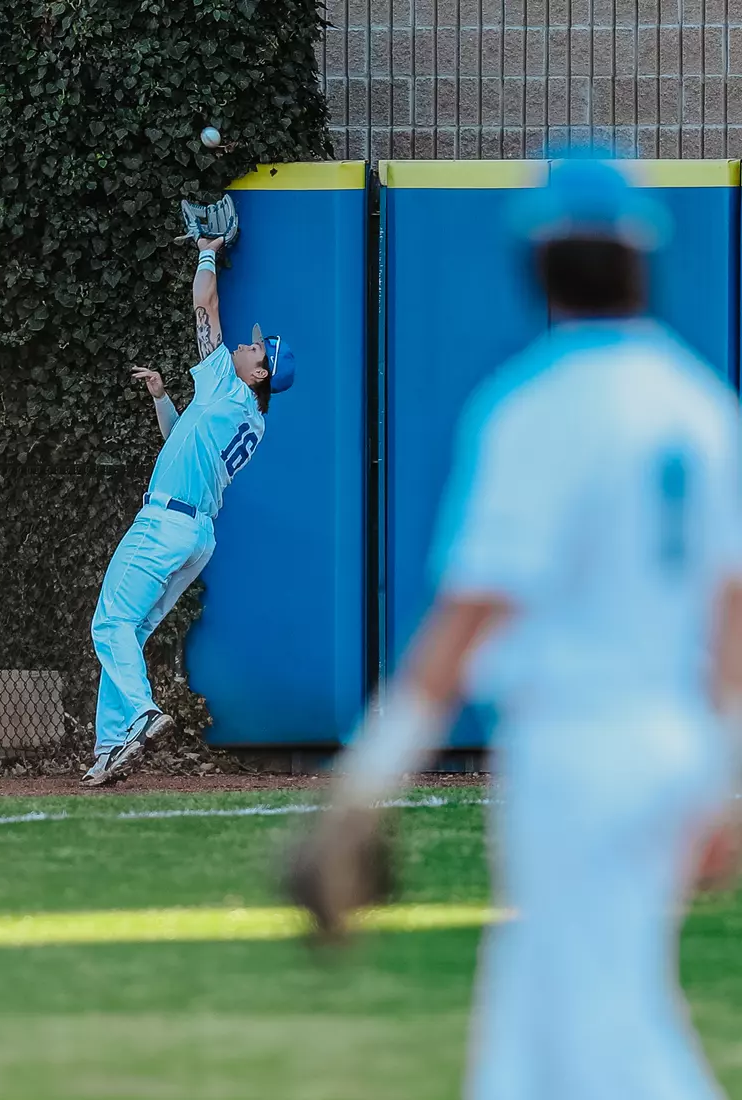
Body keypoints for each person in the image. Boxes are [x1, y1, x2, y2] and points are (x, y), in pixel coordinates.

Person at [288, 158, 742, 1099]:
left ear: (537, 262)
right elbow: (733, 613)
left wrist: (364, 784)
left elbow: (471, 616)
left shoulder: (532, 408)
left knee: (604, 1028)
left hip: (573, 752)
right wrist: (726, 778)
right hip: (674, 741)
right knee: (533, 1030)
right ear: (645, 259)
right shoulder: (703, 408)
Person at [83, 234, 295, 787]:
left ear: (259, 374)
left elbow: (206, 303)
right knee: (125, 630)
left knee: (109, 623)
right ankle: (111, 745)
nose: (246, 347)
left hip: (164, 525)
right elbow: (181, 441)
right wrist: (160, 396)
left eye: (256, 350)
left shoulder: (229, 384)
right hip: (195, 536)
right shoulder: (249, 416)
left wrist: (207, 250)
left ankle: (141, 715)